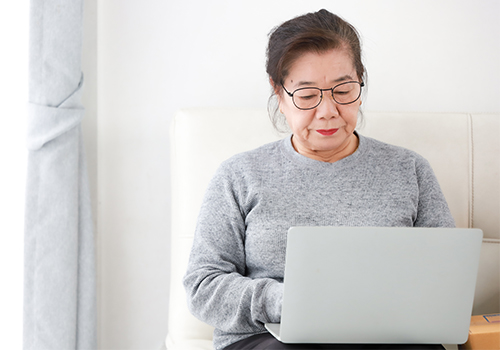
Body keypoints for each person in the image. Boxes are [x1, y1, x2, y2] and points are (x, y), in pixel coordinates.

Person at [183, 9, 454, 350]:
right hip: (269, 337)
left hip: (386, 335)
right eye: (308, 95)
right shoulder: (239, 176)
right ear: (279, 94)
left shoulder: (410, 170)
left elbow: (447, 280)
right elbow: (202, 286)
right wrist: (286, 300)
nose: (327, 111)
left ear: (361, 81)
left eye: (343, 90)